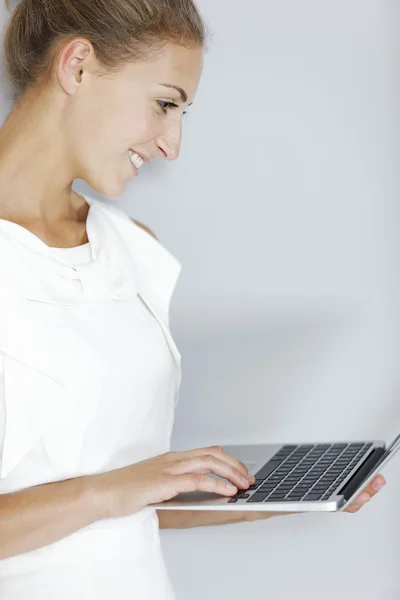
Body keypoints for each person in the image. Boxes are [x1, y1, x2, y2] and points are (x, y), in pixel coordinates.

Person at [0, 0, 387, 598]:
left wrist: (272, 501)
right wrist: (114, 489)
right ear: (76, 66)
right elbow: (115, 491)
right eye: (164, 103)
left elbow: (130, 498)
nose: (172, 143)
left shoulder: (133, 253)